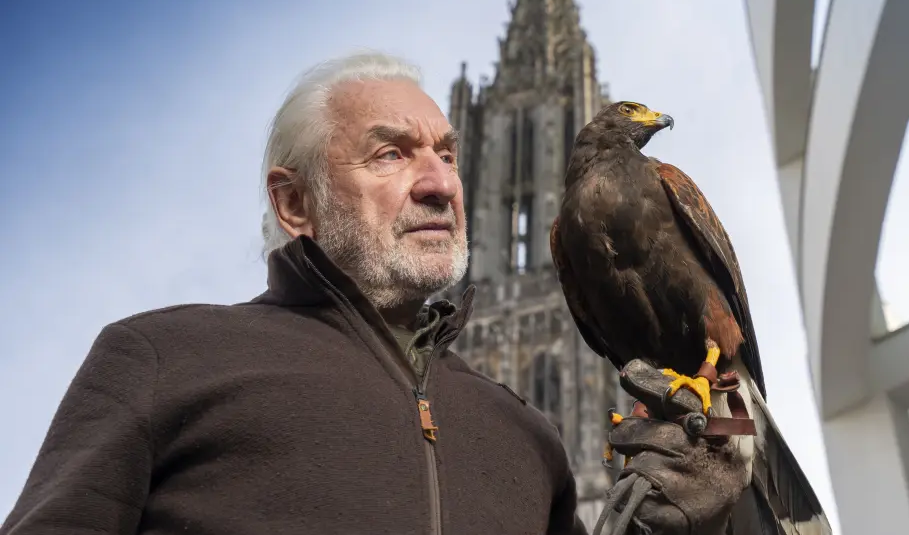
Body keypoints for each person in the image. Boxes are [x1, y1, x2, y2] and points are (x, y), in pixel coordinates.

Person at [1, 51, 750, 535]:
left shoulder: (528, 437)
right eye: (391, 152)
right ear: (295, 204)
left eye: (449, 154)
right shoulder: (166, 359)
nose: (437, 182)